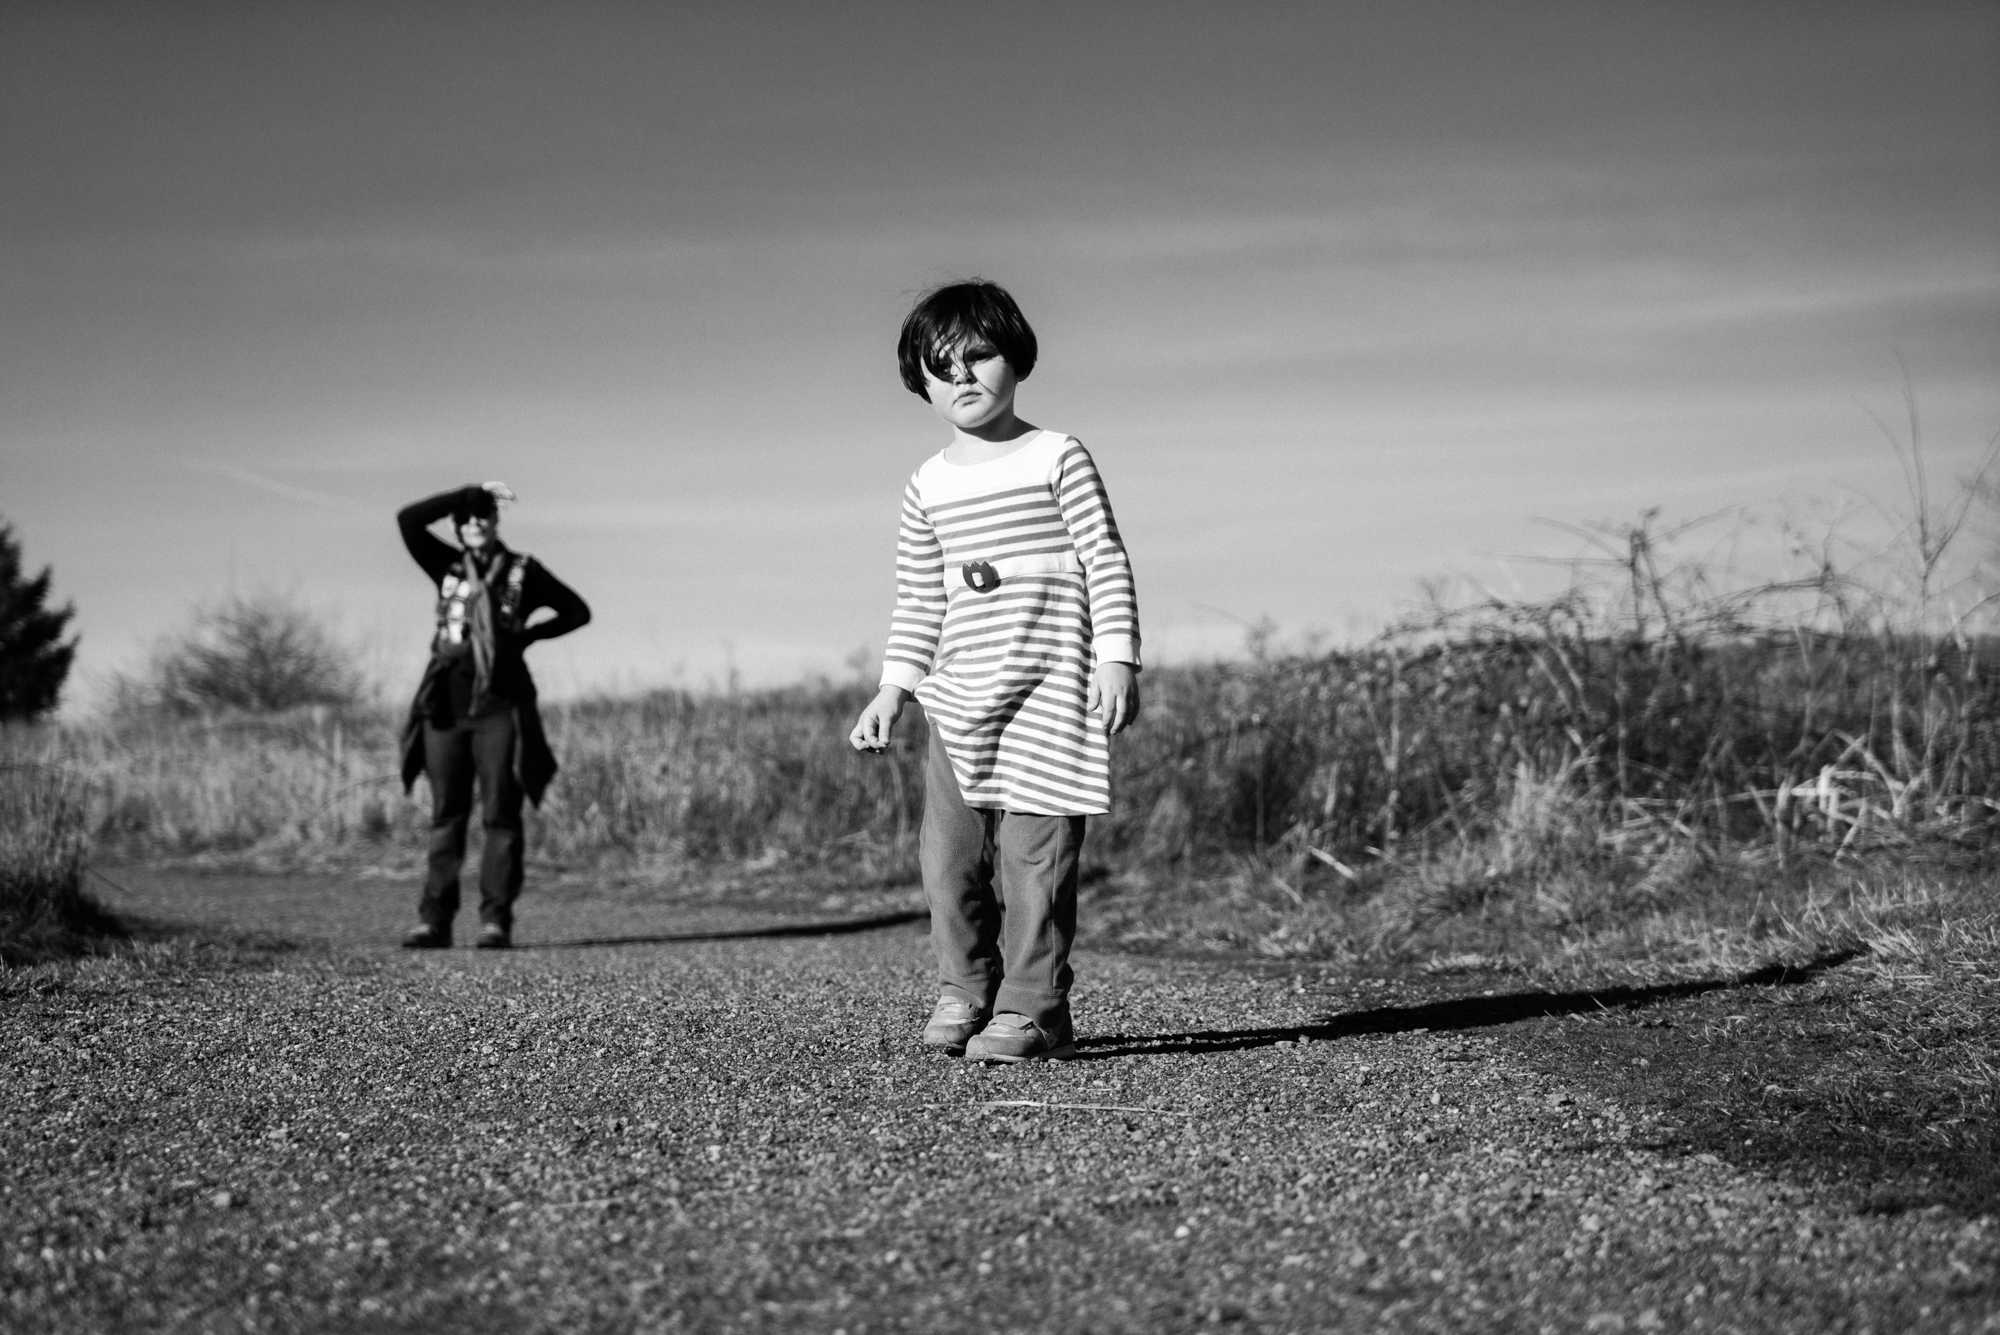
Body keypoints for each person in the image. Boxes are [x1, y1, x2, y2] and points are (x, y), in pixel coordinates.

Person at [848, 280, 1141, 1062]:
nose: (964, 376)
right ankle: (966, 986)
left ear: (1016, 358)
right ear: (921, 382)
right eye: (942, 366)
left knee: (1034, 860)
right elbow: (918, 598)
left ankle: (1035, 1004)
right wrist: (893, 687)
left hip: (1052, 693)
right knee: (948, 861)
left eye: (980, 355)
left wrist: (1116, 656)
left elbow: (1104, 559)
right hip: (961, 701)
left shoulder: (1057, 455)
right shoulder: (928, 484)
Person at [396, 482, 590, 950]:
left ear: (497, 521)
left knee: (502, 814)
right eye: (465, 518)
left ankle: (495, 921)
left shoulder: (523, 571)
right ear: (457, 526)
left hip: (501, 707)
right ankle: (434, 921)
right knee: (447, 815)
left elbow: (576, 611)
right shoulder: (445, 564)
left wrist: (526, 636)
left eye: (483, 515)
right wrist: (469, 492)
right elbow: (408, 520)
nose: (474, 523)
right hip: (445, 705)